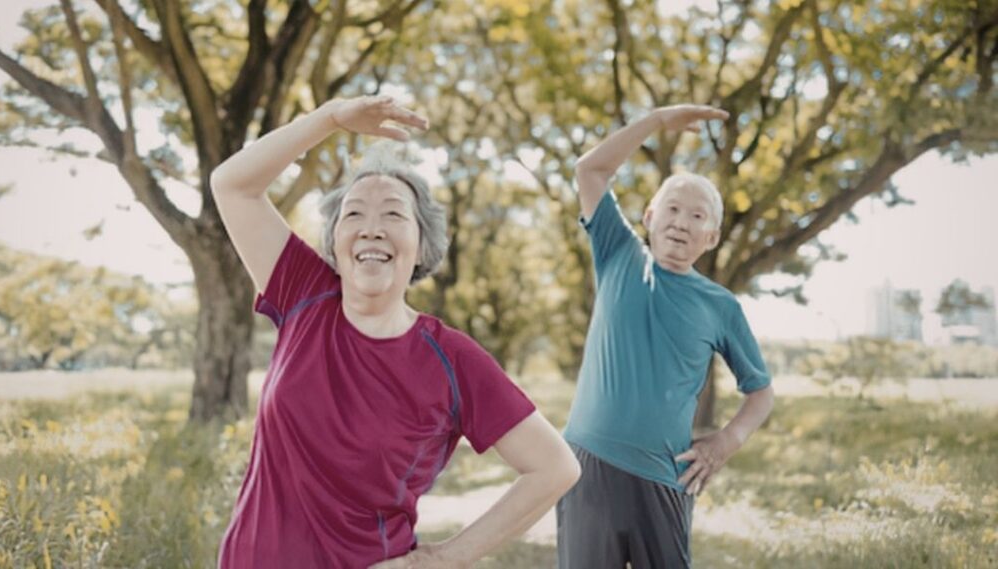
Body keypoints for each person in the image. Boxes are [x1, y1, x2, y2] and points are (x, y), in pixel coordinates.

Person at [210, 95, 580, 569]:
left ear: (423, 245)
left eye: (393, 214)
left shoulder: (452, 358)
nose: (372, 229)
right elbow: (232, 185)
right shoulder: (303, 293)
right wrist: (329, 118)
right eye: (354, 214)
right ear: (335, 243)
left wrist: (446, 558)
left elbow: (555, 467)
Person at [556, 104, 775, 568]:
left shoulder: (721, 305)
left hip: (664, 477)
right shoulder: (618, 253)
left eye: (698, 216)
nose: (681, 221)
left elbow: (761, 393)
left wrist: (727, 441)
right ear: (650, 216)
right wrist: (656, 121)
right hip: (587, 467)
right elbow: (590, 169)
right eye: (672, 209)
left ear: (712, 236)